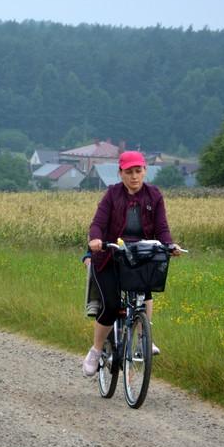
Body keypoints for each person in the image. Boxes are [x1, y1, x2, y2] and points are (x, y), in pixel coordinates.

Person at [81, 151, 182, 377]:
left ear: (145, 171)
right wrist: (95, 240)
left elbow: (162, 228)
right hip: (110, 255)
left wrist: (169, 245)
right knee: (110, 304)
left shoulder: (154, 195)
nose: (134, 176)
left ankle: (144, 340)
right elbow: (97, 224)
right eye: (129, 172)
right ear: (121, 173)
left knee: (145, 290)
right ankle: (96, 350)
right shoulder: (112, 194)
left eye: (138, 171)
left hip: (139, 256)